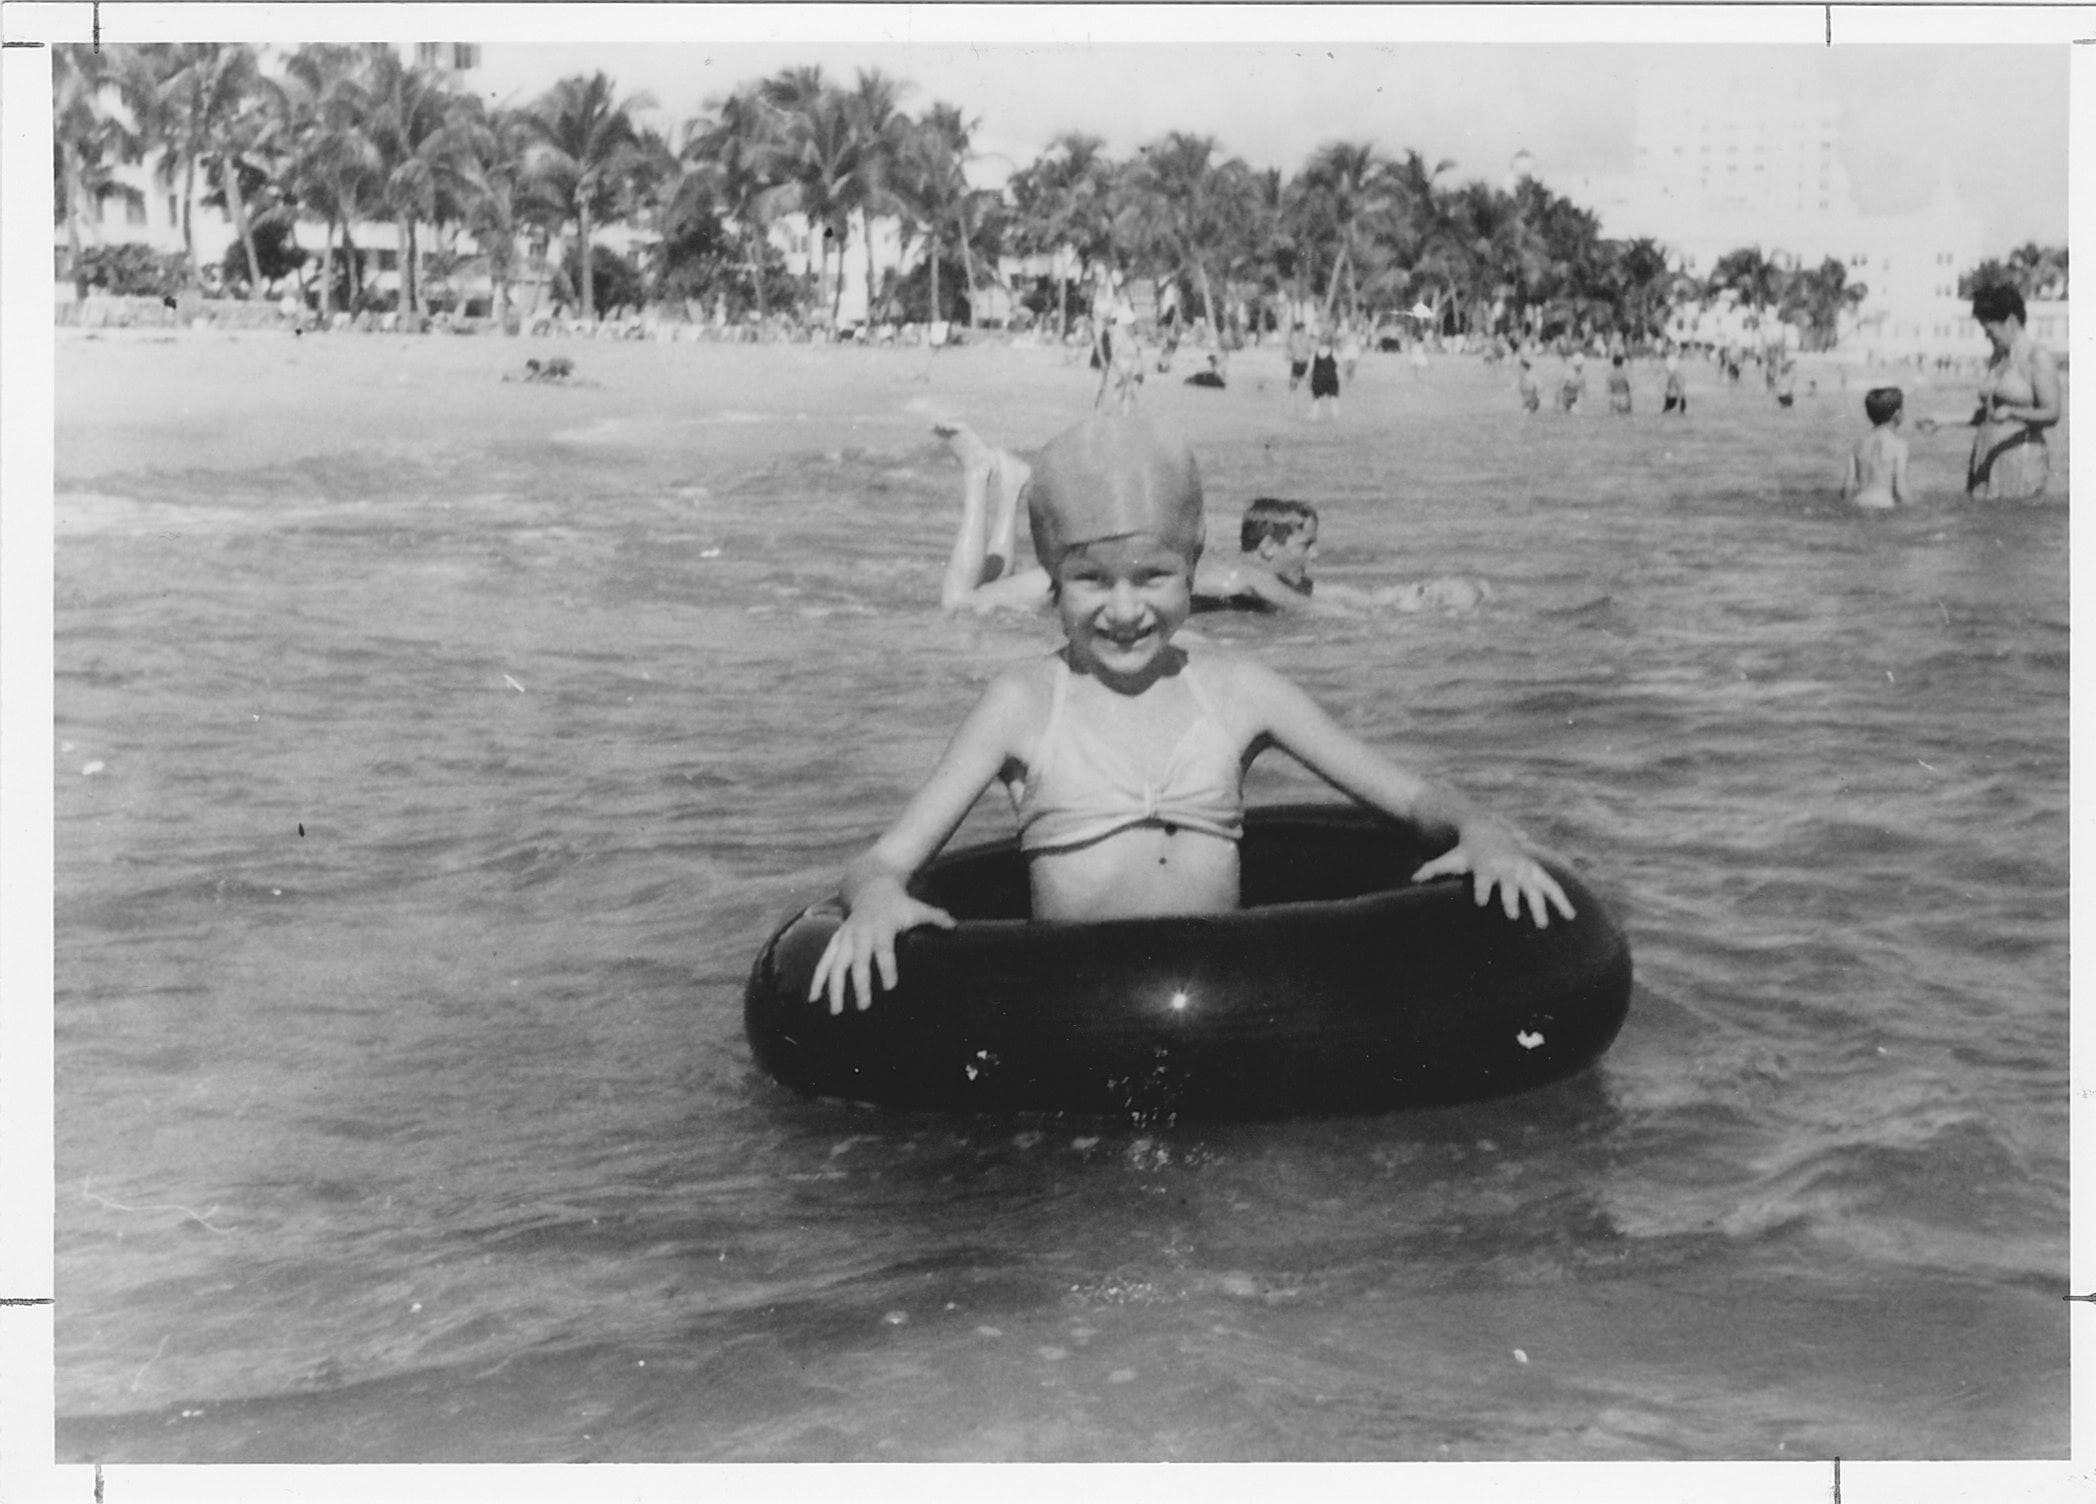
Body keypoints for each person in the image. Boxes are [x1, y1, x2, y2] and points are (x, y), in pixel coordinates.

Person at [810, 413, 1573, 1014]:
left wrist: (1483, 832)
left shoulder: (1239, 689)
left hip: (1223, 1002)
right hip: (1072, 1013)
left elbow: (1409, 796)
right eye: (1089, 581)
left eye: (1153, 577)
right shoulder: (1023, 702)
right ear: (1051, 577)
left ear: (1195, 567)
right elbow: (882, 861)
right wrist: (877, 900)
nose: (1124, 610)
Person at [935, 424, 1480, 618]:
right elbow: (1246, 583)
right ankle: (977, 477)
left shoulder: (1285, 581)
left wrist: (1388, 603)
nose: (1314, 556)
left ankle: (1006, 489)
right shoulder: (1248, 577)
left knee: (982, 601)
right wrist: (1322, 618)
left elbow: (1329, 596)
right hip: (1095, 579)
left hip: (1097, 584)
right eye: (1306, 544)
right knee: (957, 606)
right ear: (1269, 546)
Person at [1964, 284, 2061, 501]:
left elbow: (2053, 413)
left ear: (2010, 321)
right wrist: (1945, 421)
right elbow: (1989, 413)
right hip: (1985, 455)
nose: (1987, 337)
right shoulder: (1998, 358)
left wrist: (2013, 413)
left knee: (2015, 528)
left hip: (2021, 458)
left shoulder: (2037, 357)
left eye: (1989, 330)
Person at [1842, 387, 1910, 511]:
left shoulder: (1857, 445)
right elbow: (1900, 489)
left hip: (1859, 504)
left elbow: (1847, 488)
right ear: (1897, 414)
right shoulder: (1899, 445)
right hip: (1885, 505)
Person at [1308, 328, 1342, 421]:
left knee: (1316, 399)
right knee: (1333, 399)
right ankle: (1336, 417)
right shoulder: (1334, 352)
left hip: (1318, 378)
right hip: (1331, 378)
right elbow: (1340, 364)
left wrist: (1308, 379)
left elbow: (1310, 368)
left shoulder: (1315, 353)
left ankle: (1314, 416)